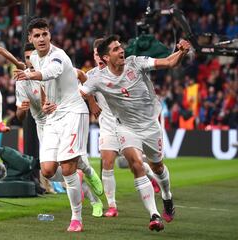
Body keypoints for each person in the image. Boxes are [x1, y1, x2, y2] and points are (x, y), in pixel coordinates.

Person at [80, 35, 190, 231]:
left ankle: (167, 196)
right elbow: (78, 92)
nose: (121, 51)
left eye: (120, 47)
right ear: (105, 58)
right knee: (136, 164)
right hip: (126, 127)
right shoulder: (97, 77)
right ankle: (154, 215)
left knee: (157, 167)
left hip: (150, 126)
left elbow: (168, 62)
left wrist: (181, 52)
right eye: (115, 49)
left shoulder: (136, 63)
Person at [14, 18, 90, 232]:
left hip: (74, 112)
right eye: (36, 36)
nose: (41, 39)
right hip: (54, 116)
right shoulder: (36, 58)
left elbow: (50, 73)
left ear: (50, 35)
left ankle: (76, 218)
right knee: (47, 170)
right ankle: (82, 171)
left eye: (44, 34)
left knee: (66, 168)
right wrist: (47, 101)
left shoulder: (58, 55)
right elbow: (45, 83)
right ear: (30, 38)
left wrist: (28, 74)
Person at [84, 38, 160, 217]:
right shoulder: (93, 76)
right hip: (108, 126)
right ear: (97, 57)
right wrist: (92, 102)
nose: (98, 58)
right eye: (95, 54)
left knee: (137, 164)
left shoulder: (124, 70)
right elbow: (83, 86)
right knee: (107, 162)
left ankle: (152, 178)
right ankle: (112, 206)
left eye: (99, 54)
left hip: (127, 124)